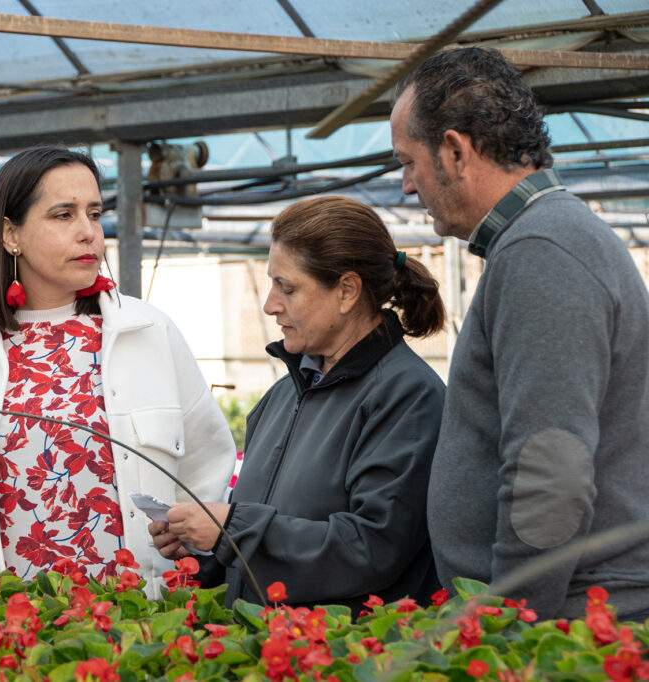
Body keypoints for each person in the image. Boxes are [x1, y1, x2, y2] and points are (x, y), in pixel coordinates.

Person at [0, 146, 235, 597]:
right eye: (63, 215)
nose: (88, 233)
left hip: (140, 621)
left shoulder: (150, 333)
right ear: (10, 234)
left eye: (94, 214)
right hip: (6, 621)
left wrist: (180, 548)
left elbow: (207, 468)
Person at [391, 46, 649, 620]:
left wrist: (509, 621)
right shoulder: (543, 240)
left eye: (408, 162)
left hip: (572, 622)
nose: (407, 185)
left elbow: (551, 469)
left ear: (455, 150)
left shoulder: (541, 251)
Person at [151, 195, 447, 610]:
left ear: (347, 291)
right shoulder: (285, 393)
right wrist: (206, 550)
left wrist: (234, 531)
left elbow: (373, 547)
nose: (270, 304)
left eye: (286, 287)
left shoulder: (407, 397)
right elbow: (269, 542)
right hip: (268, 648)